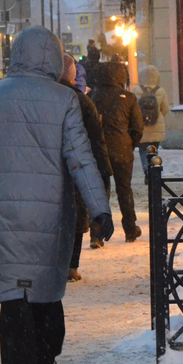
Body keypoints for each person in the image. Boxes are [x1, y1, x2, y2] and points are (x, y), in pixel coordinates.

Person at [0, 26, 112, 364]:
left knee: (15, 295)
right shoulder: (64, 100)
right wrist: (99, 209)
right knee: (45, 289)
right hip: (50, 213)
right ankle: (45, 358)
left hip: (3, 214)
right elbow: (81, 160)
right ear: (55, 60)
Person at [60, 55, 112, 282]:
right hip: (77, 165)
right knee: (77, 215)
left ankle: (53, 264)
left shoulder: (42, 98)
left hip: (50, 166)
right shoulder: (82, 100)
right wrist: (103, 168)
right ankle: (71, 266)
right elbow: (96, 138)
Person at [90, 61, 144, 242]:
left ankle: (96, 233)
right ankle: (130, 228)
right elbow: (138, 128)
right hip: (122, 151)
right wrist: (129, 144)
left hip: (98, 151)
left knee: (99, 191)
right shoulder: (128, 98)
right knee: (124, 190)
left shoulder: (93, 96)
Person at [132, 64, 171, 178]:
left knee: (143, 150)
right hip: (156, 126)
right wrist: (157, 116)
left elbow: (133, 108)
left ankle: (146, 170)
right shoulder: (161, 91)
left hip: (141, 126)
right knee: (154, 150)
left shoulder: (136, 90)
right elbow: (166, 109)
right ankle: (154, 171)